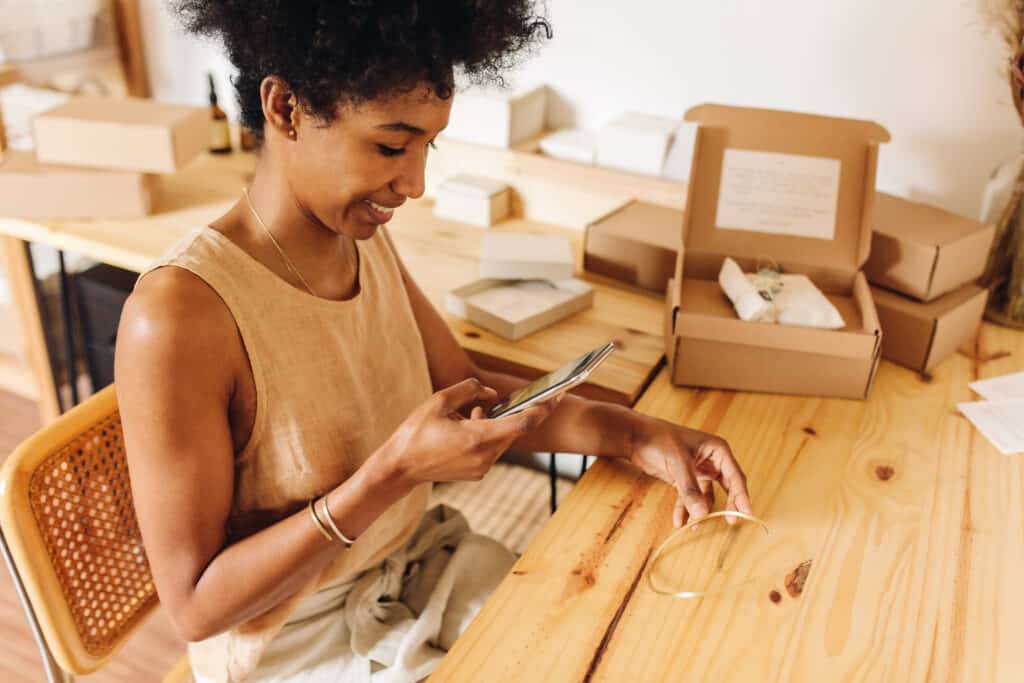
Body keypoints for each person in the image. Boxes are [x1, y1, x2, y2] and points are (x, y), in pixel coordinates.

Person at [114, 2, 754, 681]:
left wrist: (633, 434)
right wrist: (394, 473)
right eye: (391, 146)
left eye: (428, 146)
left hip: (422, 568)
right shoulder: (180, 315)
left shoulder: (358, 238)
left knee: (641, 639)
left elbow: (473, 397)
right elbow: (194, 608)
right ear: (285, 107)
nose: (414, 184)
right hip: (297, 643)